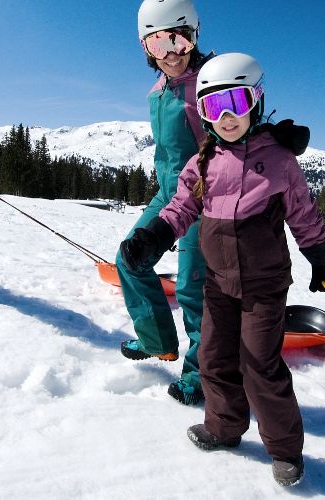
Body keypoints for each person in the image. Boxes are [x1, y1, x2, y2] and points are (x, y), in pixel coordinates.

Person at [119, 53, 325, 487]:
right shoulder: (203, 162)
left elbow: (303, 212)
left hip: (263, 285)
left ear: (255, 100)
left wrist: (321, 253)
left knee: (259, 365)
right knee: (216, 359)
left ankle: (285, 450)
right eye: (213, 108)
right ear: (203, 114)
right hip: (218, 282)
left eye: (235, 102)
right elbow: (181, 208)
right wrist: (153, 238)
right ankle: (223, 428)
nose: (227, 117)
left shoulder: (279, 160)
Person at [115, 0, 212, 405]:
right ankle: (155, 339)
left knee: (193, 288)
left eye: (178, 39)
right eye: (158, 43)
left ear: (193, 37)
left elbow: (240, 125)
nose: (170, 52)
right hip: (166, 194)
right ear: (145, 48)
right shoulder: (157, 92)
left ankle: (202, 373)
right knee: (129, 258)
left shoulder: (209, 83)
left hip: (205, 198)